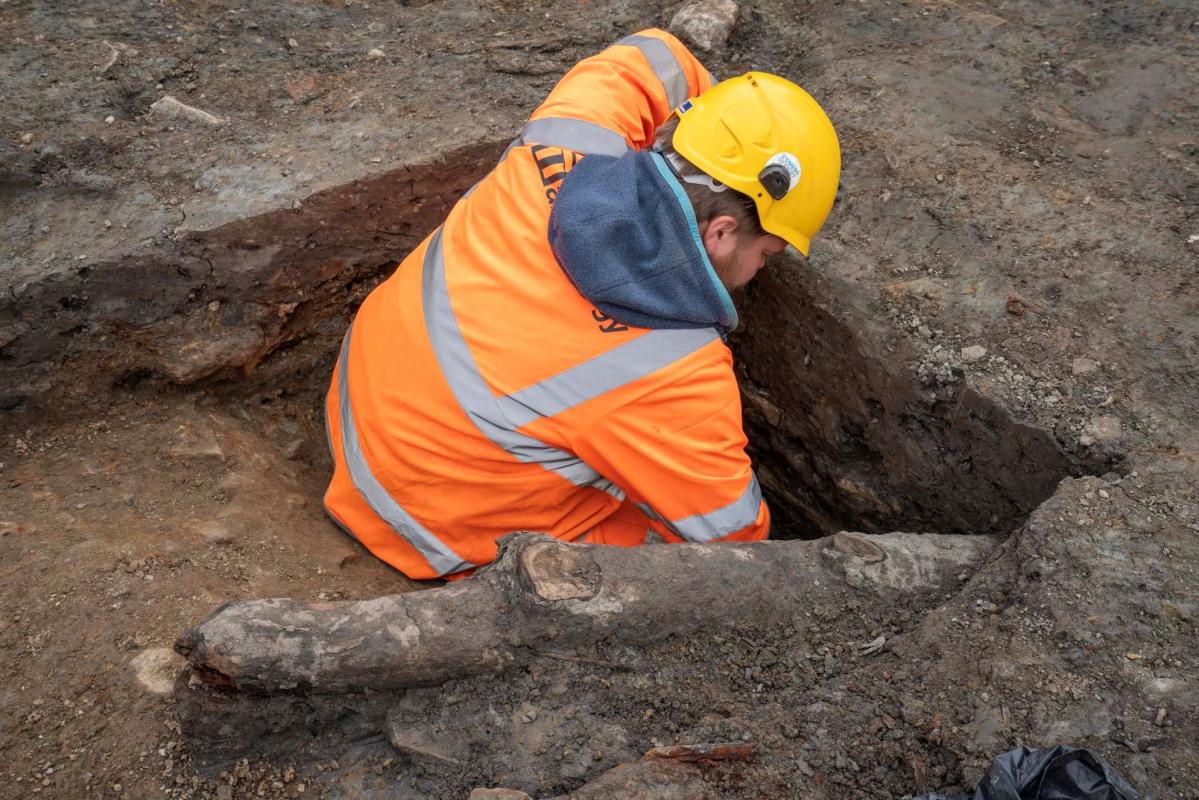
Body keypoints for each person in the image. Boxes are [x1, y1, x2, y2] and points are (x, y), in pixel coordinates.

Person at [323, 28, 841, 580]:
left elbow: (654, 54)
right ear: (719, 233)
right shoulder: (676, 376)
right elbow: (737, 541)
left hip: (357, 413)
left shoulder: (567, 142)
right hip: (426, 527)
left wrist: (721, 127)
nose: (765, 268)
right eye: (769, 251)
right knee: (671, 561)